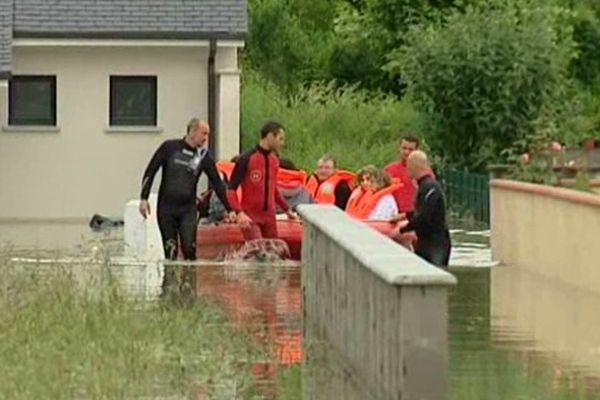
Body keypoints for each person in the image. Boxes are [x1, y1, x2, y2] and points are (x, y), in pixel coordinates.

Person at [139, 118, 235, 297]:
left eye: (208, 134)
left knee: (189, 249)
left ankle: (189, 293)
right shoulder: (169, 147)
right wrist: (143, 198)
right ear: (192, 131)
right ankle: (168, 294)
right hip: (166, 208)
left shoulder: (203, 156)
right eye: (203, 133)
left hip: (187, 210)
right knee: (171, 250)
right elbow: (150, 171)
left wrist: (230, 209)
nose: (206, 138)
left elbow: (218, 184)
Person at [226, 121, 297, 240]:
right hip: (251, 216)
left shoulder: (275, 160)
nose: (282, 143)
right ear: (270, 136)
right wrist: (239, 213)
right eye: (280, 139)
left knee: (274, 253)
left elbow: (273, 189)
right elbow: (231, 190)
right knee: (259, 253)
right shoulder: (246, 158)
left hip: (269, 218)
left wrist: (287, 209)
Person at [396, 150, 451, 268]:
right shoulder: (425, 186)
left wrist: (402, 229)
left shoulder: (430, 187)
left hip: (436, 244)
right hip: (426, 242)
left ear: (414, 166)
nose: (406, 170)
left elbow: (425, 217)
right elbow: (422, 212)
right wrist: (405, 215)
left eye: (408, 166)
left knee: (436, 276)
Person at [384, 134, 421, 213]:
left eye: (410, 149)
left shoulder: (424, 172)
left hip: (415, 216)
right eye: (404, 148)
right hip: (393, 214)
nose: (406, 152)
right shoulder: (389, 170)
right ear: (399, 148)